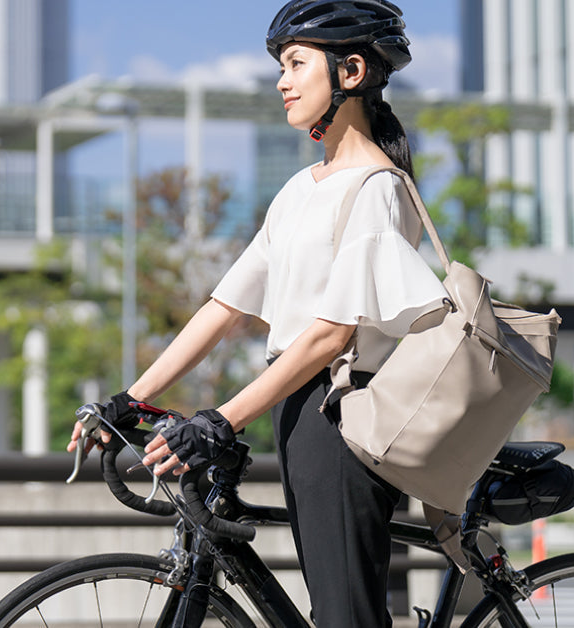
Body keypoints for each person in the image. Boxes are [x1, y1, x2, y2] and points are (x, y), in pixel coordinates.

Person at [67, 1, 450, 626]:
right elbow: (223, 307)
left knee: (343, 614)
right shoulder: (301, 189)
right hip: (297, 413)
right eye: (280, 65)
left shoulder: (378, 188)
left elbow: (330, 336)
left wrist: (220, 419)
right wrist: (130, 400)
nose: (282, 80)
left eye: (297, 63)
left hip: (344, 419)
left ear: (350, 72)